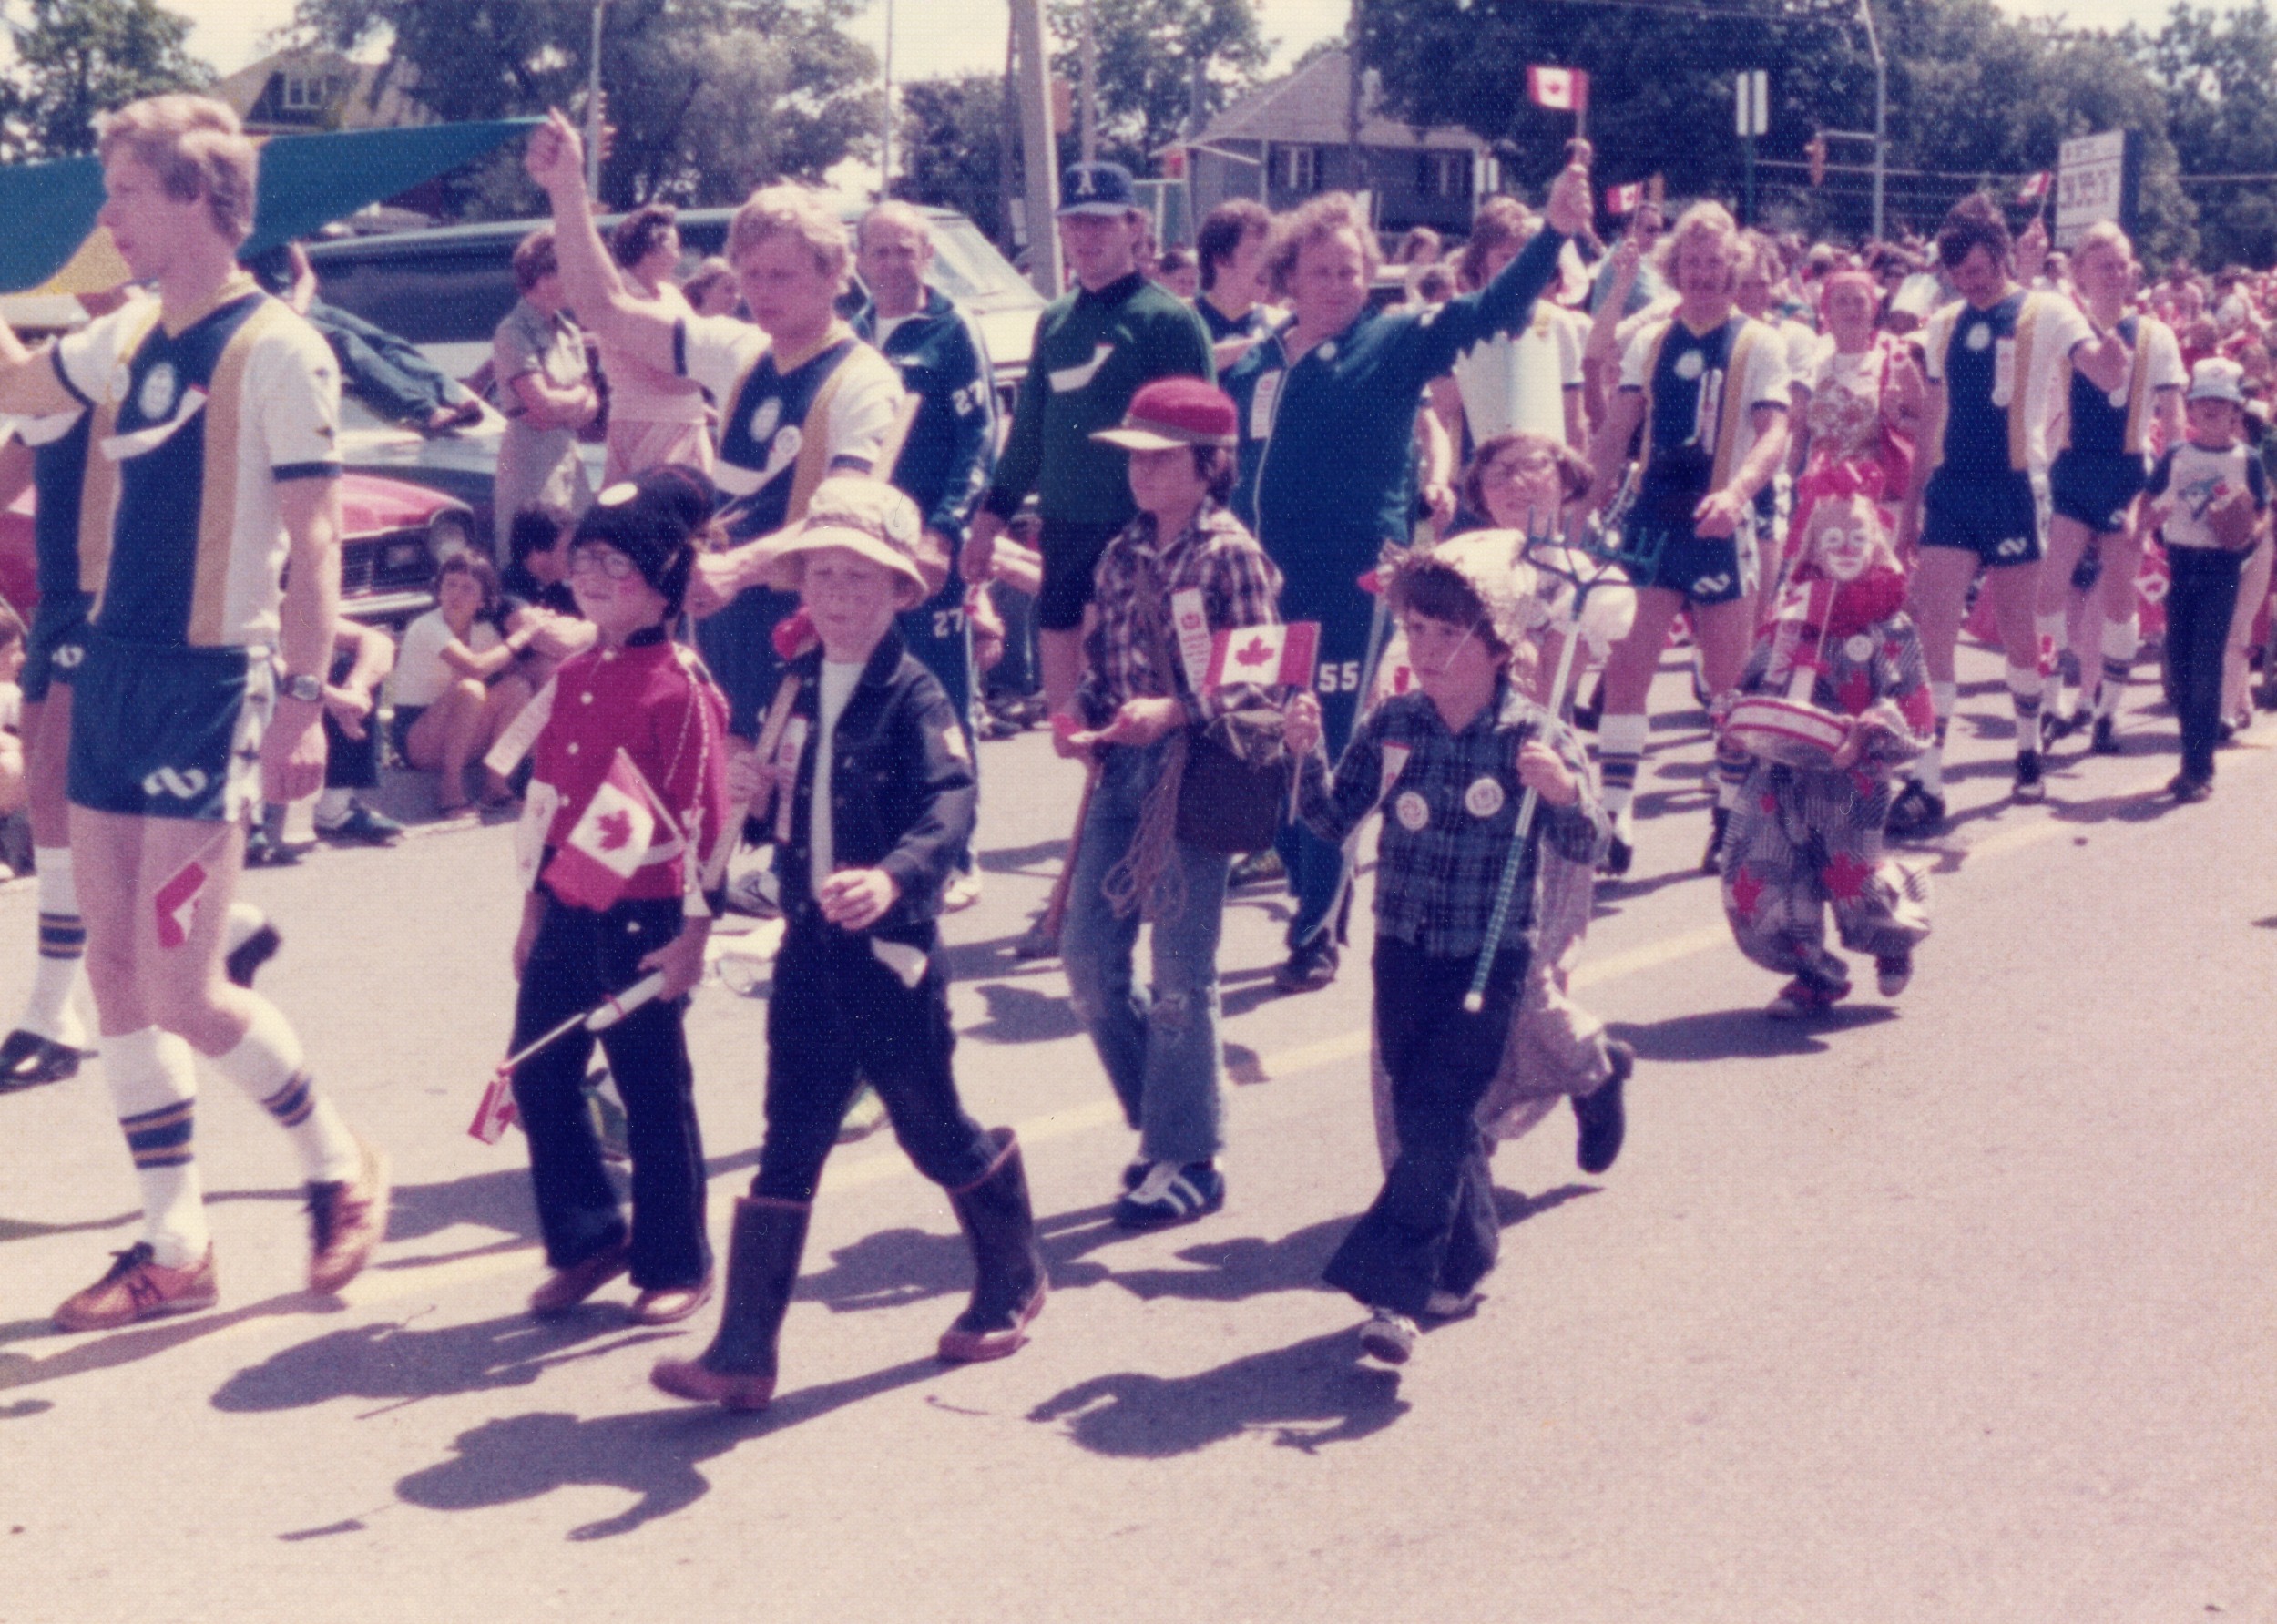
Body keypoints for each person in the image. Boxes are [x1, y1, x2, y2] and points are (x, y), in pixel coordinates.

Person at [0, 92, 387, 1329]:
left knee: (179, 985)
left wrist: (308, 706)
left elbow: (318, 544)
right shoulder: (126, 339)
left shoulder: (278, 346)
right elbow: (20, 377)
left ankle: (337, 1159)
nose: (104, 214)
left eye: (122, 193)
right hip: (112, 667)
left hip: (212, 685)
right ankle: (177, 1241)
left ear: (195, 202)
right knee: (112, 973)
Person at [652, 480, 1045, 1412]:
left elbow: (951, 805)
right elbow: (781, 803)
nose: (837, 594)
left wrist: (894, 878)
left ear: (900, 591)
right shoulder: (792, 683)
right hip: (807, 954)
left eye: (860, 578)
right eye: (822, 574)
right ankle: (744, 1350)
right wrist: (749, 788)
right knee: (788, 1138)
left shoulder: (915, 694)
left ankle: (1013, 1274)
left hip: (890, 960)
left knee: (930, 1127)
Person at [1224, 152, 1594, 991]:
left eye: (1351, 270)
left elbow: (1489, 306)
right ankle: (1312, 880)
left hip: (1349, 587)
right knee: (1273, 752)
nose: (1338, 285)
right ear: (1287, 276)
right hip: (1261, 592)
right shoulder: (1255, 363)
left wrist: (1554, 235)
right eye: (1320, 271)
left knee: (1323, 745)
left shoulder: (1390, 344)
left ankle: (1315, 927)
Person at [1283, 539, 1608, 1367]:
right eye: (1414, 629)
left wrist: (1564, 794)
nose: (1423, 651)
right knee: (1437, 1115)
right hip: (1402, 950)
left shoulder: (1535, 738)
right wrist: (1303, 752)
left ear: (1499, 645)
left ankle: (1395, 1299)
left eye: (1446, 634)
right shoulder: (1394, 726)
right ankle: (1467, 1259)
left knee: (1435, 1115)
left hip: (1490, 954)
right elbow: (1330, 818)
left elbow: (1588, 840)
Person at [525, 111, 906, 747]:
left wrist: (739, 568)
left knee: (801, 831)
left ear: (834, 273)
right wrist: (566, 191)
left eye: (781, 275)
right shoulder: (739, 350)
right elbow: (604, 310)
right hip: (722, 628)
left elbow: (842, 520)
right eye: (750, 275)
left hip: (812, 635)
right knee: (705, 819)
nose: (761, 292)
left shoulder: (865, 381)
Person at [504, 467, 730, 1325]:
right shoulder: (572, 675)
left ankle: (677, 1258)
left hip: (647, 912)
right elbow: (545, 803)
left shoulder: (683, 686)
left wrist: (694, 940)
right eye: (585, 558)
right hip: (568, 900)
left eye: (618, 564)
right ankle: (590, 1234)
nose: (593, 578)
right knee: (537, 1067)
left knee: (649, 1086)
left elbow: (709, 825)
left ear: (665, 579)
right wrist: (531, 912)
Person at [1057, 380, 1284, 1228]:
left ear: (1208, 467)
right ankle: (1168, 1122)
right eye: (1134, 459)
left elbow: (1260, 684)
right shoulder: (1121, 554)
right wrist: (1082, 713)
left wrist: (1181, 711)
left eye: (1161, 459)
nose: (1142, 474)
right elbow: (1103, 664)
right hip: (1124, 777)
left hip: (1196, 779)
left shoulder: (1232, 556)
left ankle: (1190, 1155)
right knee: (1087, 959)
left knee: (1182, 974)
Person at [1888, 199, 2129, 831]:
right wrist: (1909, 511)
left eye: (1978, 272)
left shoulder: (2047, 309)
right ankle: (1929, 780)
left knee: (2019, 635)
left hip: (2016, 491)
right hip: (1953, 491)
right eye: (1960, 277)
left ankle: (2027, 746)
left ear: (1999, 255)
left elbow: (2100, 369)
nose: (1972, 285)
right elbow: (1931, 420)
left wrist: (2112, 357)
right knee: (1931, 627)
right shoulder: (1942, 325)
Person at [1578, 200, 1793, 879]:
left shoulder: (1761, 343)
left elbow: (1775, 433)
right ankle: (1616, 812)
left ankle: (1727, 812)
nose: (1701, 273)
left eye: (1713, 262)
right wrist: (1581, 504)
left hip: (1720, 527)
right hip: (1652, 525)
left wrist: (1738, 493)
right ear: (1676, 267)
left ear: (1733, 266)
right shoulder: (1652, 342)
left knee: (1727, 685)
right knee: (1626, 672)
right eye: (1690, 262)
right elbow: (1615, 432)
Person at [962, 161, 1214, 724]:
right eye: (1074, 223)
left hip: (1141, 530)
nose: (1086, 236)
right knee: (1067, 720)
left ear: (1133, 226)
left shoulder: (1168, 320)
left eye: (1101, 222)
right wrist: (989, 522)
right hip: (1066, 529)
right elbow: (1028, 431)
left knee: (1136, 704)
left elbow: (1207, 442)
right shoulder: (1053, 321)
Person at [1718, 487, 1935, 1018]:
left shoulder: (1891, 626)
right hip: (1779, 776)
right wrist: (1734, 715)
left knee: (1852, 880)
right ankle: (1814, 974)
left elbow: (1917, 710)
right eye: (1833, 538)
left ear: (1878, 543)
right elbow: (1758, 684)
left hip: (1851, 780)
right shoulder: (1792, 614)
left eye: (1858, 537)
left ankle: (1891, 939)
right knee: (1758, 873)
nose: (1846, 547)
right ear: (1812, 547)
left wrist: (1871, 730)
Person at [852, 201, 999, 909]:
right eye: (876, 251)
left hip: (926, 555)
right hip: (860, 550)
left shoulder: (951, 330)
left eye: (902, 250)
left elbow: (978, 440)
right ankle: (888, 841)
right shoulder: (848, 336)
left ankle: (958, 850)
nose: (889, 264)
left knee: (942, 696)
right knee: (869, 690)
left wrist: (945, 532)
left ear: (927, 256)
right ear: (858, 260)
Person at [2037, 221, 2184, 754]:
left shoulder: (2155, 335)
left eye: (2124, 264)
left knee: (2120, 598)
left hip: (2127, 478)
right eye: (2105, 265)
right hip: (2074, 472)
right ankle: (2051, 704)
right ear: (2080, 272)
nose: (2118, 274)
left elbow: (2173, 417)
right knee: (2049, 589)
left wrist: (2164, 488)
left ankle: (2106, 713)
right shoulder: (2065, 324)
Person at [0, 408, 93, 1086]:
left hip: (116, 602)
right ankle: (57, 1010)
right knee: (58, 808)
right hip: (58, 600)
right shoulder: (65, 377)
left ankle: (50, 1012)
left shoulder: (141, 345)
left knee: (76, 803)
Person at [2144, 357, 2267, 802]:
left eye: (2222, 403)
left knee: (2205, 667)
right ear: (2191, 410)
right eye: (2203, 402)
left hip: (2220, 568)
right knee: (2178, 665)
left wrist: (2247, 535)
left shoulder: (2246, 458)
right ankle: (2190, 761)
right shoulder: (2177, 454)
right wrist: (2138, 528)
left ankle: (2199, 768)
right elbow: (2150, 497)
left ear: (2236, 413)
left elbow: (2260, 510)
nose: (2212, 409)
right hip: (2181, 562)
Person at [245, 240, 481, 435]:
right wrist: (290, 311)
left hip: (307, 305)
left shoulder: (280, 226)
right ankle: (427, 412)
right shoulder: (235, 238)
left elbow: (306, 275)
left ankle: (453, 395)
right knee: (347, 343)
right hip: (272, 314)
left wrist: (299, 303)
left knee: (382, 340)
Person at [1789, 266, 1924, 563]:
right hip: (1824, 504)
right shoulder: (1813, 365)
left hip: (1882, 503)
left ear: (1873, 309)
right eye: (1842, 301)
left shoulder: (1895, 361)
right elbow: (1798, 439)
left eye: (1859, 301)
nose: (1851, 309)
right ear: (1826, 311)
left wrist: (1900, 418)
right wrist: (1785, 488)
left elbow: (1931, 429)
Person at [393, 553, 538, 814]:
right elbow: (475, 666)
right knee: (471, 688)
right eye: (450, 585)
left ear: (482, 600)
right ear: (439, 590)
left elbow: (510, 669)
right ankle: (450, 792)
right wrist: (521, 637)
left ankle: (496, 785)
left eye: (467, 588)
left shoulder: (484, 631)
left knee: (517, 687)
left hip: (455, 733)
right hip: (417, 738)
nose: (455, 595)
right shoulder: (426, 626)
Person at [1448, 199, 1590, 455]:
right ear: (1481, 262)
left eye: (1523, 256)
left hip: (1541, 469)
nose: (1518, 268)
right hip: (1474, 471)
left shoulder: (1557, 323)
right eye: (1505, 257)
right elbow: (1442, 412)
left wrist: (1574, 488)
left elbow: (1574, 421)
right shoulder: (1456, 322)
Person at [490, 227, 600, 552]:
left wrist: (567, 403)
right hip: (529, 459)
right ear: (542, 276)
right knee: (534, 552)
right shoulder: (513, 331)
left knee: (575, 547)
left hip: (568, 453)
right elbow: (542, 404)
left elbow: (591, 405)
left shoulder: (569, 331)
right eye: (568, 270)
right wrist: (572, 401)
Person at [597, 204, 714, 484]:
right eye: (674, 248)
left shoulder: (672, 294)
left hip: (689, 423)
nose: (678, 257)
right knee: (652, 518)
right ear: (650, 252)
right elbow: (665, 378)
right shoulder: (623, 300)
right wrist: (715, 370)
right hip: (645, 428)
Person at [1192, 198, 1273, 369]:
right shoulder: (1181, 318)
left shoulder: (1279, 322)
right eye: (1256, 253)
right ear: (1221, 259)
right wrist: (1258, 346)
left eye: (1270, 253)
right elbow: (1174, 371)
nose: (1268, 263)